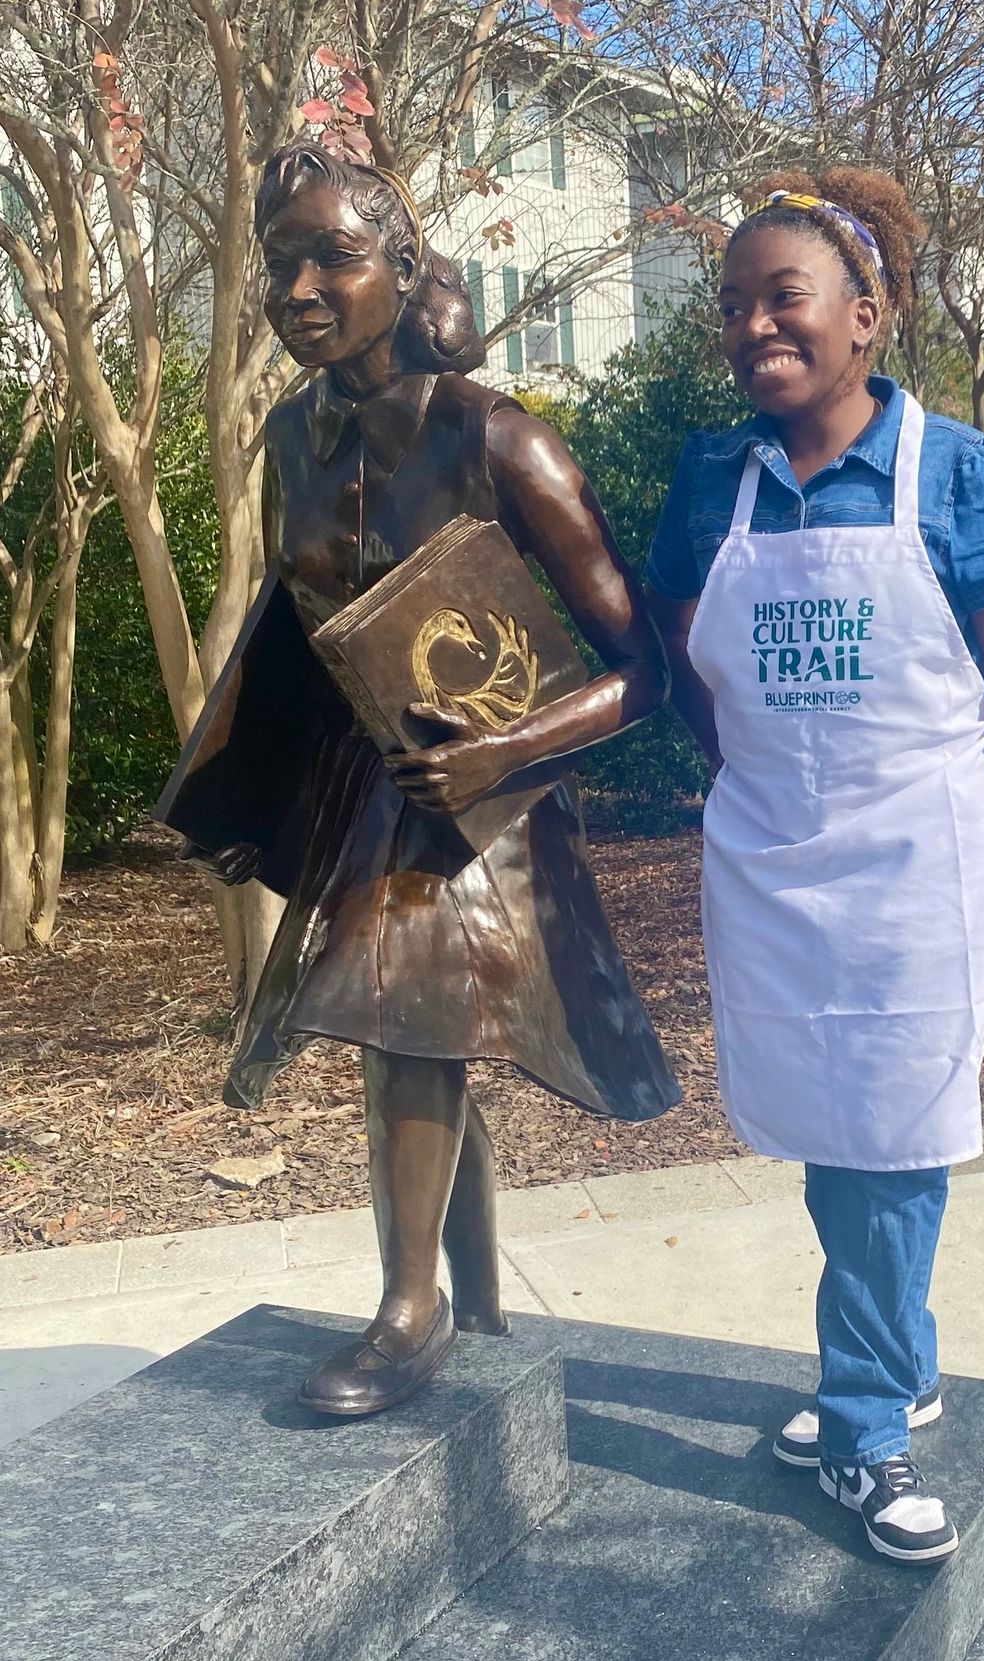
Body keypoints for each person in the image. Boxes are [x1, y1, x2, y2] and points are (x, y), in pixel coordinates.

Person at [167, 138, 679, 1416]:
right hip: (362, 782)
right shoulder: (290, 434)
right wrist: (250, 781)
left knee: (402, 1015)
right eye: (280, 264)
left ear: (401, 266)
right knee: (417, 1038)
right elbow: (299, 625)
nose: (298, 290)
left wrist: (510, 751)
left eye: (331, 257)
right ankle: (479, 1298)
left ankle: (411, 1314)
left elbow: (645, 668)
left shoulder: (505, 443)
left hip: (485, 797)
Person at [645, 167, 984, 1564]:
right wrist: (748, 772)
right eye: (733, 306)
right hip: (771, 861)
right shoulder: (716, 475)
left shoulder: (960, 471)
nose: (753, 326)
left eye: (785, 297)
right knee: (832, 1132)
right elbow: (672, 653)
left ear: (866, 314)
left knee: (892, 1136)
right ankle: (898, 1360)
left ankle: (865, 1423)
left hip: (918, 865)